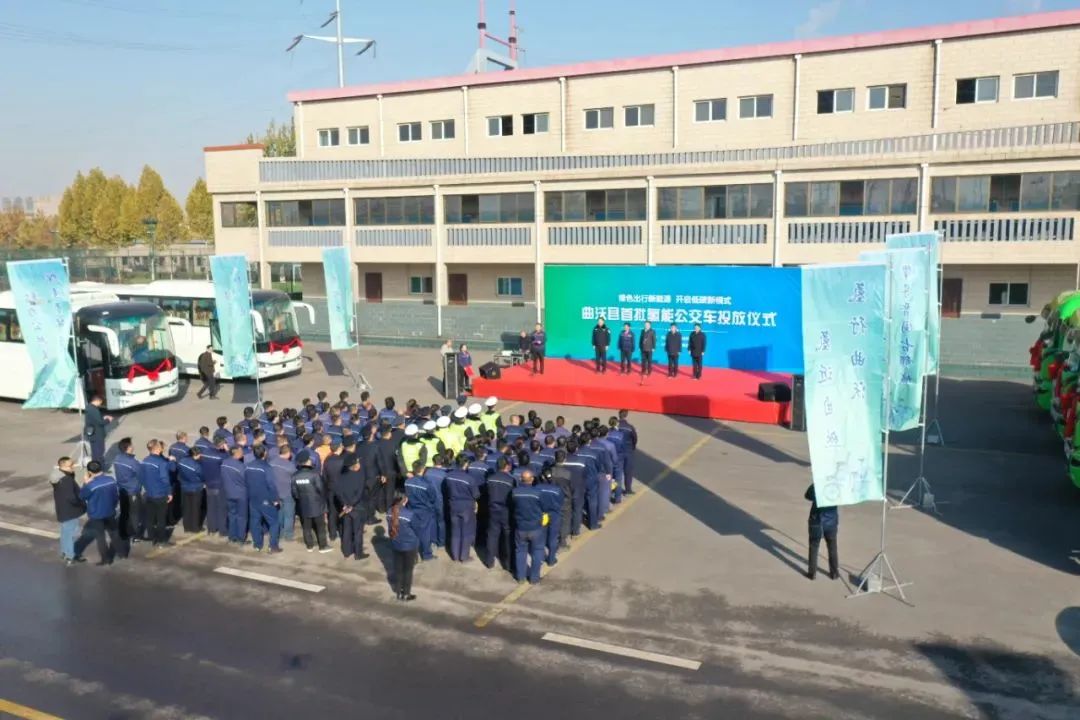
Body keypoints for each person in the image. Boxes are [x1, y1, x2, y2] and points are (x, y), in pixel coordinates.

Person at [75, 461, 123, 565]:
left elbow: (82, 496)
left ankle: (106, 559)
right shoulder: (111, 480)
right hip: (110, 511)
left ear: (89, 472)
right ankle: (121, 552)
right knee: (114, 533)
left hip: (96, 514)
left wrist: (85, 483)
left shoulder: (91, 485)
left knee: (100, 537)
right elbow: (116, 495)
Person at [292, 451, 331, 553]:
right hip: (317, 505)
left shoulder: (295, 476)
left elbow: (295, 493)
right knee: (320, 527)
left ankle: (309, 546)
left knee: (306, 527)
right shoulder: (314, 474)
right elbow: (321, 490)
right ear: (307, 461)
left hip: (303, 506)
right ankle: (323, 546)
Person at [245, 445, 282, 554]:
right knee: (274, 522)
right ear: (264, 453)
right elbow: (271, 485)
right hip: (265, 499)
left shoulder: (248, 466)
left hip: (253, 498)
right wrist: (275, 499)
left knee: (255, 521)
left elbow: (246, 481)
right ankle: (273, 546)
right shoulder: (267, 468)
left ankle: (257, 545)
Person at [511, 469, 545, 584]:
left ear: (521, 479)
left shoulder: (515, 492)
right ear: (532, 479)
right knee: (537, 551)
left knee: (520, 551)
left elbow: (512, 506)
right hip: (535, 527)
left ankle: (520, 577)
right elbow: (544, 507)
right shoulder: (538, 493)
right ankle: (534, 578)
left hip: (520, 527)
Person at [51, 456, 86, 566]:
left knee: (65, 533)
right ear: (63, 466)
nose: (73, 467)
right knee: (70, 534)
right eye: (70, 466)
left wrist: (71, 474)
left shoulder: (57, 477)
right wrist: (81, 503)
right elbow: (71, 497)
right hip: (70, 511)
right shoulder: (66, 480)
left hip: (62, 509)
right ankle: (71, 556)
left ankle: (64, 552)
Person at [139, 440, 174, 547]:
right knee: (161, 519)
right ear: (158, 449)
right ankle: (161, 541)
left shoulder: (145, 460)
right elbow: (165, 479)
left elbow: (141, 477)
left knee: (150, 517)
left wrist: (147, 487)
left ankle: (152, 537)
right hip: (160, 494)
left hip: (149, 493)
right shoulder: (161, 463)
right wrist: (169, 492)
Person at [335, 453, 370, 560]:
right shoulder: (359, 476)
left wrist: (344, 504)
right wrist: (350, 505)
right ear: (354, 465)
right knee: (358, 531)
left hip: (345, 508)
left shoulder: (340, 476)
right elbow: (359, 494)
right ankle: (358, 553)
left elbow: (338, 492)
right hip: (357, 508)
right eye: (358, 462)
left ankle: (346, 551)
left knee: (347, 530)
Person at [445, 455, 480, 562]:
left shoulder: (448, 476)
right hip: (466, 507)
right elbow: (476, 495)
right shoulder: (469, 479)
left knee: (455, 530)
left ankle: (455, 555)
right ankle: (464, 557)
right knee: (466, 531)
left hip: (453, 505)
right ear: (465, 464)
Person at [387, 491, 419, 602]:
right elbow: (417, 529)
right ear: (404, 500)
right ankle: (406, 593)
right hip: (409, 546)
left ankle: (398, 591)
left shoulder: (389, 512)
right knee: (408, 570)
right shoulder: (410, 514)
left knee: (398, 569)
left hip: (396, 544)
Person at [484, 456, 515, 570]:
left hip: (493, 508)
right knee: (507, 536)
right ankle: (507, 563)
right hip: (505, 510)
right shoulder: (511, 480)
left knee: (492, 534)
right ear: (507, 466)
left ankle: (489, 561)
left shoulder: (490, 478)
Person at [403, 460, 438, 561]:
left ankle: (414, 553)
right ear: (423, 469)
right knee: (425, 533)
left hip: (411, 509)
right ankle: (427, 554)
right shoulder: (427, 484)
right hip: (424, 510)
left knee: (414, 531)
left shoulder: (407, 482)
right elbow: (433, 497)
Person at [112, 438, 143, 543]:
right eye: (131, 445)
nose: (133, 446)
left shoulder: (117, 458)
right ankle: (136, 535)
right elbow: (141, 474)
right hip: (132, 491)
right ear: (128, 448)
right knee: (135, 514)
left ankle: (122, 533)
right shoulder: (132, 462)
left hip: (122, 489)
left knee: (124, 512)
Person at [805, 484, 839, 580]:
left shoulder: (818, 484)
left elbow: (807, 495)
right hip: (831, 521)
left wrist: (815, 484)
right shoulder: (836, 486)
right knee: (832, 547)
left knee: (814, 546)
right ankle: (834, 573)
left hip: (816, 521)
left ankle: (812, 573)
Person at [271, 445, 298, 542]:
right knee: (289, 515)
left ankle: (280, 532)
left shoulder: (271, 462)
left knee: (280, 513)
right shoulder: (290, 465)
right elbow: (295, 478)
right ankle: (288, 535)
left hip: (275, 493)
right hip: (287, 493)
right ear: (288, 453)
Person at [221, 445, 248, 544]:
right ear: (236, 453)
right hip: (241, 495)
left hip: (229, 493)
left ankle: (232, 536)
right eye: (241, 452)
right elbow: (246, 480)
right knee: (242, 516)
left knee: (232, 515)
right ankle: (241, 538)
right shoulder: (241, 466)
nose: (243, 453)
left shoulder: (224, 463)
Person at [537, 470, 564, 567]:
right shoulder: (557, 490)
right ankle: (551, 559)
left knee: (541, 536)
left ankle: (540, 558)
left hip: (542, 514)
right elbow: (561, 502)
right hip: (555, 515)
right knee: (553, 537)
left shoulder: (537, 488)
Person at [177, 447, 205, 533]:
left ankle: (187, 527)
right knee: (195, 508)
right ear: (195, 455)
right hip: (195, 488)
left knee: (186, 507)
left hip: (184, 487)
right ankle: (195, 528)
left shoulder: (181, 461)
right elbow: (202, 476)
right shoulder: (197, 466)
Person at [83, 395, 113, 467]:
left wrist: (103, 417)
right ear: (98, 401)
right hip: (97, 434)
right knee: (99, 452)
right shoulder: (94, 409)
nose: (100, 404)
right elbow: (100, 422)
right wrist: (108, 420)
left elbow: (95, 419)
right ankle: (100, 467)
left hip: (92, 433)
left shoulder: (89, 407)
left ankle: (95, 467)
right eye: (100, 402)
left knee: (95, 452)